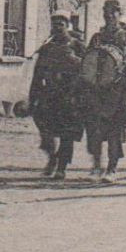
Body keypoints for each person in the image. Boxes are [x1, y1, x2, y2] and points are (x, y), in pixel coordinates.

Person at [83, 0, 126, 182]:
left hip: (118, 91)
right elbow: (88, 64)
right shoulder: (96, 38)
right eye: (106, 12)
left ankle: (112, 168)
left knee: (114, 132)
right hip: (97, 91)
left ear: (119, 14)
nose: (109, 16)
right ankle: (96, 166)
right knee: (94, 130)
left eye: (113, 12)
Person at [27, 11, 86, 179]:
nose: (57, 28)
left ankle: (61, 166)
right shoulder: (47, 47)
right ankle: (52, 157)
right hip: (50, 94)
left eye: (61, 24)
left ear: (67, 25)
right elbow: (37, 74)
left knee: (67, 134)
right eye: (54, 24)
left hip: (70, 95)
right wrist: (33, 97)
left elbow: (89, 68)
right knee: (46, 131)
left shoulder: (77, 45)